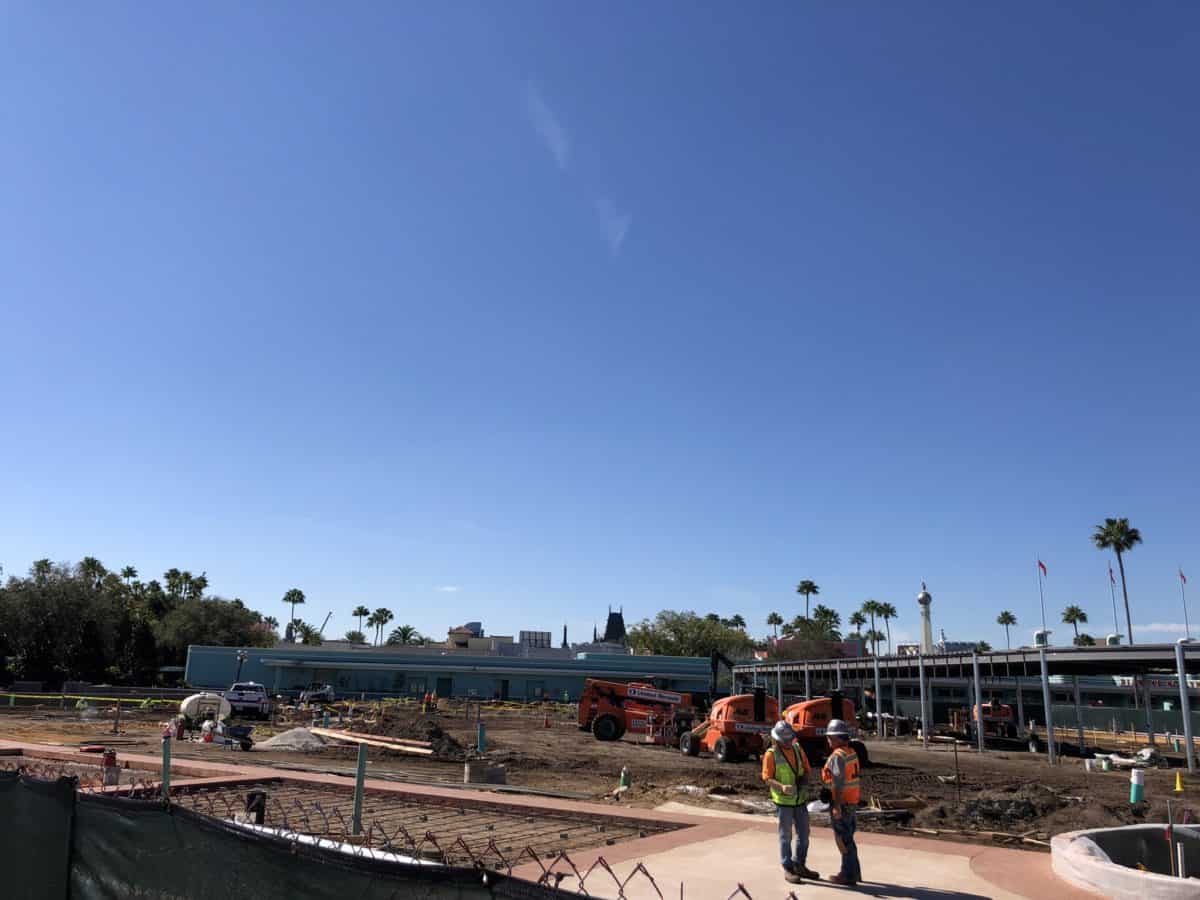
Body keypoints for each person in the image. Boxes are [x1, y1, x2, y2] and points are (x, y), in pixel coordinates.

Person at [762, 720, 819, 884]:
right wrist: (781, 787)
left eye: (789, 740)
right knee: (785, 836)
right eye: (784, 741)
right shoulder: (771, 754)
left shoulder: (797, 749)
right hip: (783, 802)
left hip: (800, 799)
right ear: (777, 739)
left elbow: (807, 770)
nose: (787, 743)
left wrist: (804, 780)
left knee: (804, 834)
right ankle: (788, 867)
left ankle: (799, 864)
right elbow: (767, 778)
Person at [821, 719, 862, 886]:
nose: (828, 740)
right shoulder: (851, 752)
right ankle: (855, 871)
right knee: (848, 838)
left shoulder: (837, 756)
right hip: (851, 801)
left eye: (830, 737)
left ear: (838, 738)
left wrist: (836, 806)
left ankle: (848, 874)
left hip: (842, 803)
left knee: (843, 840)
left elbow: (838, 783)